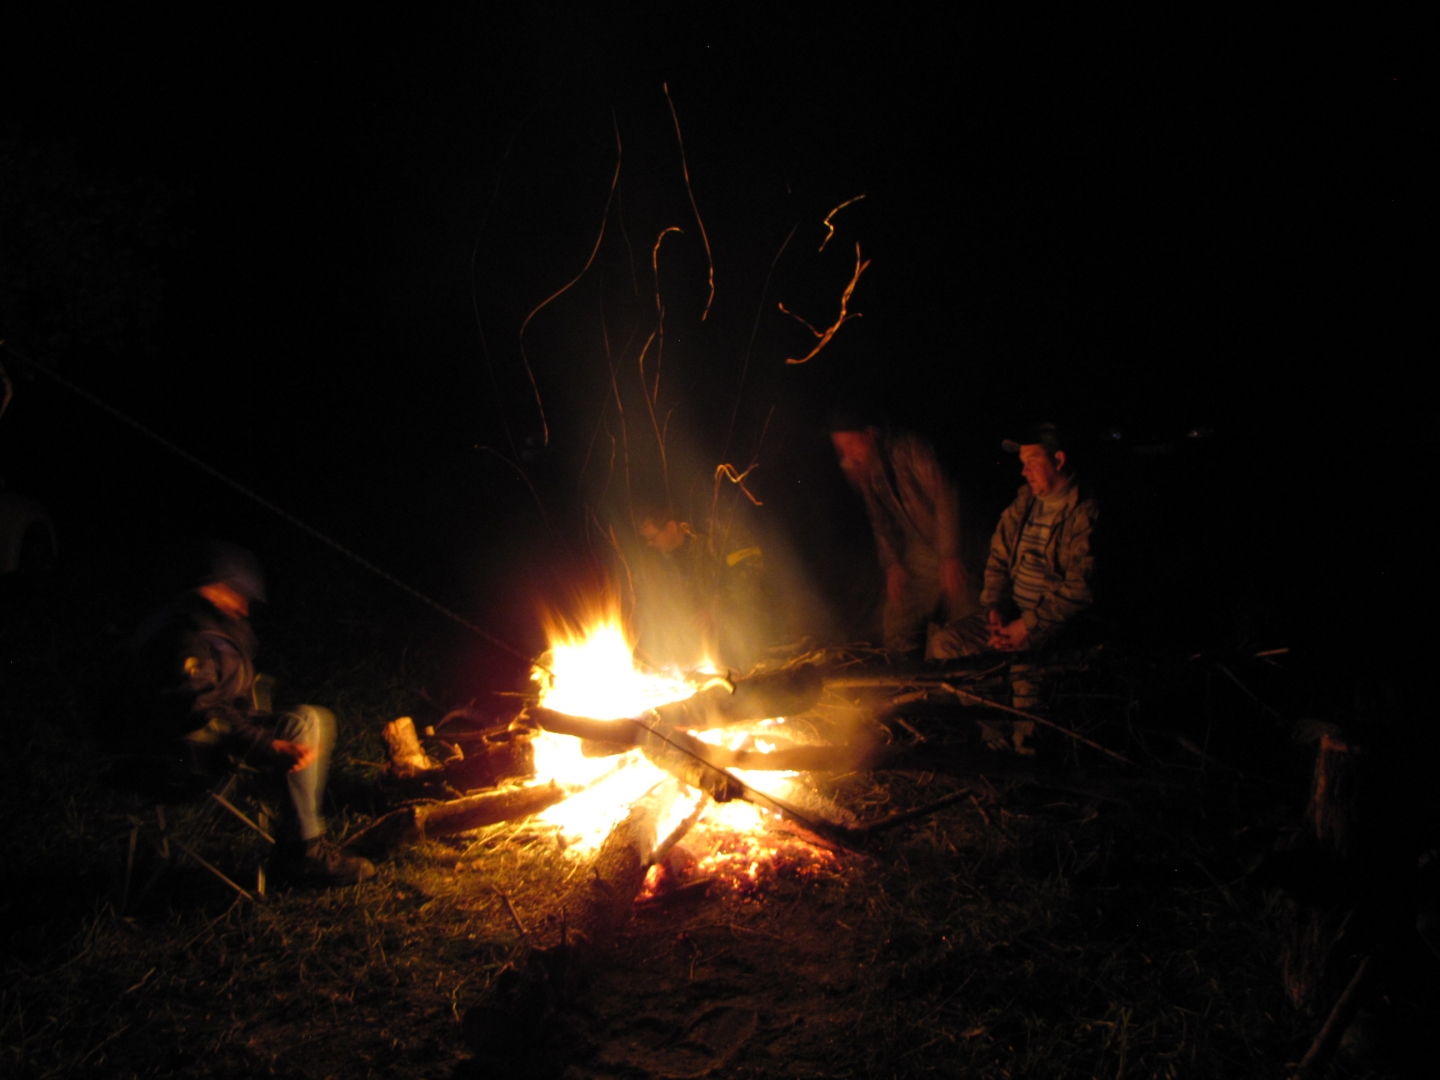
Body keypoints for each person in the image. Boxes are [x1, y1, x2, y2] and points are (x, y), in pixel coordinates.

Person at [128, 544, 375, 888]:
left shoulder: (218, 630)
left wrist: (261, 730)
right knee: (297, 729)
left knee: (312, 718)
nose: (244, 606)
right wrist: (267, 745)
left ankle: (298, 843)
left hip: (217, 738)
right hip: (181, 755)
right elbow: (201, 713)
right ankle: (303, 853)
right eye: (238, 593)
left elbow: (229, 704)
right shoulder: (184, 637)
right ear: (212, 587)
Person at [928, 422, 1097, 661]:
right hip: (1014, 614)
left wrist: (1027, 625)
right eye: (1023, 462)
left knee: (1019, 671)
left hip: (1052, 626)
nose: (1024, 471)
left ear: (1059, 460)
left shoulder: (1085, 513)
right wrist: (996, 608)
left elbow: (1080, 591)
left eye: (1032, 461)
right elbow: (999, 558)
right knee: (945, 644)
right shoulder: (1025, 503)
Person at [830, 418, 965, 652]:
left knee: (963, 615)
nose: (847, 455)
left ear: (870, 434)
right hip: (921, 550)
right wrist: (893, 563)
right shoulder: (868, 469)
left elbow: (944, 494)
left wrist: (950, 555)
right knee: (896, 614)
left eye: (851, 443)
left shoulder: (908, 449)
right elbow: (879, 520)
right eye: (842, 448)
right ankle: (905, 667)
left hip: (956, 542)